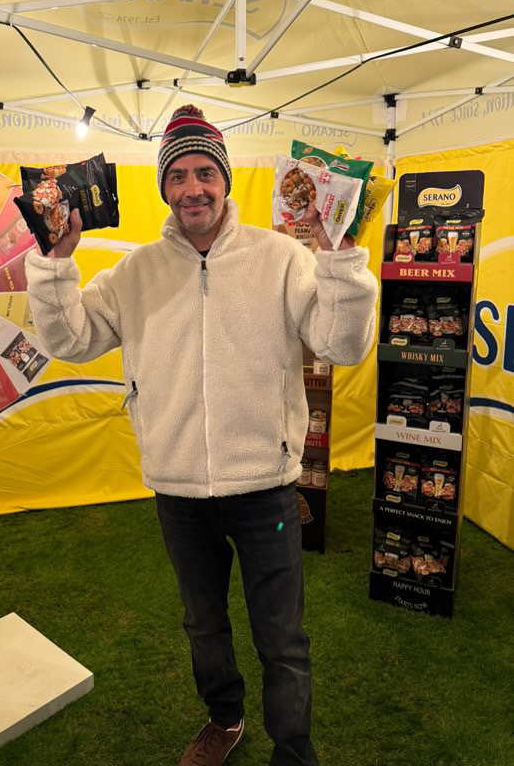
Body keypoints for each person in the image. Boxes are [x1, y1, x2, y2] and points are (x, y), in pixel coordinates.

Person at [25, 105, 378, 766]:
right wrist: (55, 264)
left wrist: (340, 261)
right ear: (165, 187)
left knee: (282, 638)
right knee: (203, 624)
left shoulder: (283, 258)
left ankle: (294, 752)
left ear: (225, 181)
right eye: (179, 175)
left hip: (266, 486)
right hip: (179, 489)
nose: (193, 188)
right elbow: (70, 340)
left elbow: (342, 345)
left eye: (205, 173)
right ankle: (225, 720)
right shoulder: (135, 273)